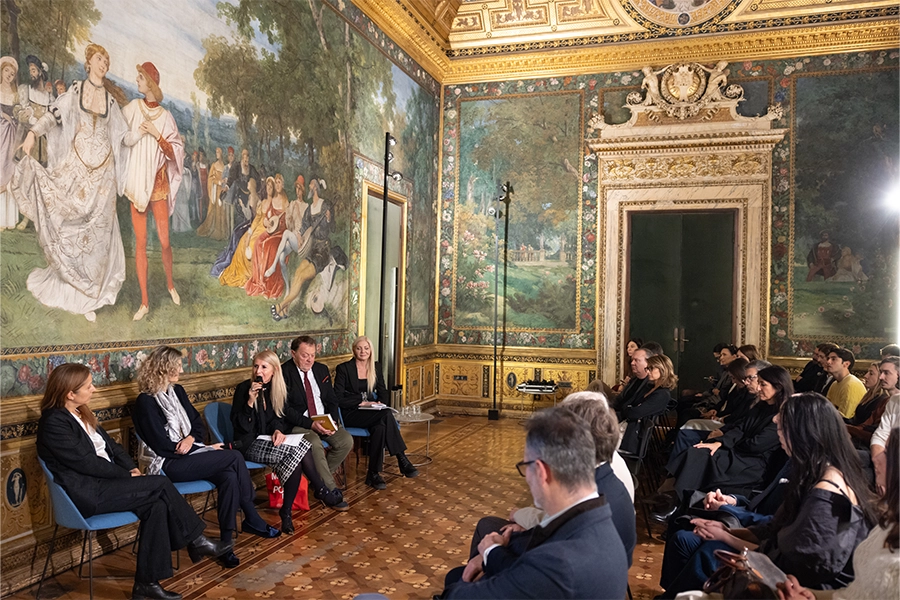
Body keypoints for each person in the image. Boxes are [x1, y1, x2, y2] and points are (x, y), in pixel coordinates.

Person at [37, 363, 230, 600]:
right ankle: (196, 540)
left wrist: (131, 467)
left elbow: (113, 447)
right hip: (88, 494)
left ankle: (147, 585)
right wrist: (127, 476)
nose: (94, 389)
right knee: (160, 484)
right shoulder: (53, 423)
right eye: (88, 386)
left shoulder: (81, 412)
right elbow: (87, 464)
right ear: (70, 393)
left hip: (109, 485)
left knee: (156, 505)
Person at [658, 392, 875, 598]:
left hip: (796, 587)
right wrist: (727, 531)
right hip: (781, 568)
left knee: (709, 550)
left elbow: (790, 564)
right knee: (688, 529)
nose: (775, 420)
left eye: (783, 418)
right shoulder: (813, 471)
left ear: (803, 431)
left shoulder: (826, 493)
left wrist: (727, 537)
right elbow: (775, 528)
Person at [439, 407, 629, 599]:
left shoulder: (557, 563)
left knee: (456, 579)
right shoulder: (598, 516)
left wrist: (476, 569)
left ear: (541, 471)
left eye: (525, 466)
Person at [132, 346, 280, 568]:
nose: (181, 370)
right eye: (177, 366)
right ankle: (251, 515)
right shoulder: (145, 401)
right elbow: (160, 445)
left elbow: (197, 425)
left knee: (229, 476)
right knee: (233, 457)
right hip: (168, 463)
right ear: (164, 368)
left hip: (191, 454)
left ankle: (226, 544)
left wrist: (192, 440)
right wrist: (199, 449)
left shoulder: (177, 391)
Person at [11, 43, 128, 323]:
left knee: (99, 236)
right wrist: (32, 134)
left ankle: (90, 295)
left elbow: (122, 136)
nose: (104, 64)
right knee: (70, 225)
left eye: (106, 60)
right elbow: (53, 116)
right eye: (99, 59)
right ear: (89, 63)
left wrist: (145, 136)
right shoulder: (75, 91)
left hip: (104, 177)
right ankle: (71, 285)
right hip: (77, 170)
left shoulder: (111, 102)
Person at [776, 428, 899, 600]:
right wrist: (810, 594)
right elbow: (854, 592)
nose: (876, 458)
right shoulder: (889, 522)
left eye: (887, 453)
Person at [232, 350, 346, 533]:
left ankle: (287, 512)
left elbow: (278, 418)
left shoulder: (276, 389)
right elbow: (242, 426)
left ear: (274, 370)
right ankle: (319, 490)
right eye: (255, 366)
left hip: (268, 439)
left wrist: (277, 430)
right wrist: (250, 402)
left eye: (264, 367)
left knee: (300, 451)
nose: (258, 371)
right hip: (248, 443)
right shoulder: (243, 389)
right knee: (300, 452)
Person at [657, 365, 790, 515]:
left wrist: (728, 445)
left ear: (778, 387)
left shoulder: (782, 414)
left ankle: (676, 502)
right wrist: (720, 442)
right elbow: (740, 428)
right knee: (697, 450)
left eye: (763, 384)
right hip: (739, 453)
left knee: (701, 456)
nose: (758, 388)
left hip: (752, 463)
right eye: (758, 383)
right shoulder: (761, 406)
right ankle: (675, 497)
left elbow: (755, 445)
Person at [122, 61, 185, 322]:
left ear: (150, 82)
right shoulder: (132, 108)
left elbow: (175, 152)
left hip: (158, 186)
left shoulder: (166, 116)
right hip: (138, 184)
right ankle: (145, 302)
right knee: (140, 243)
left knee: (165, 241)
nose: (137, 81)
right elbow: (119, 135)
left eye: (140, 77)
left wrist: (157, 135)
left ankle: (170, 285)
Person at [334, 336, 419, 489]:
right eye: (359, 348)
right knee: (385, 416)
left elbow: (383, 391)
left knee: (380, 427)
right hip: (351, 413)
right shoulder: (344, 368)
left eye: (366, 348)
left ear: (371, 350)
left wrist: (380, 403)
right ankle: (401, 458)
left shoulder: (376, 367)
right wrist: (362, 402)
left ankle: (373, 474)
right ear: (354, 350)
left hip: (372, 413)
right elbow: (338, 398)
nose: (363, 351)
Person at [282, 335, 353, 508]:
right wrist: (311, 424)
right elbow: (285, 409)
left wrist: (333, 421)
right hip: (299, 423)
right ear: (293, 353)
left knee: (346, 441)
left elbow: (332, 400)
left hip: (323, 419)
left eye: (313, 355)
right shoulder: (284, 373)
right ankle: (329, 490)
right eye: (305, 355)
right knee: (314, 443)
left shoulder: (321, 369)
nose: (309, 360)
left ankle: (317, 481)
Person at [271, 177, 333, 320]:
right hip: (313, 250)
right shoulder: (310, 208)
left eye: (310, 184)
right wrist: (299, 235)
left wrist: (329, 219)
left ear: (315, 187)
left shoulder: (325, 205)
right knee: (297, 273)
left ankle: (281, 306)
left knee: (301, 277)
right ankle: (284, 311)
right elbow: (304, 226)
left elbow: (332, 227)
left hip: (323, 251)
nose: (309, 187)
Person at [618, 352, 676, 454]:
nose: (648, 372)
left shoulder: (662, 394)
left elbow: (634, 413)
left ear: (662, 370)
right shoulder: (650, 387)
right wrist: (630, 408)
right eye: (647, 368)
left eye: (651, 368)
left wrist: (629, 408)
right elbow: (629, 405)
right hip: (625, 426)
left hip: (631, 436)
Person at [245, 173, 289, 298]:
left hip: (280, 234)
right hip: (270, 231)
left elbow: (288, 222)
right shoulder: (272, 200)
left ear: (282, 184)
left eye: (279, 182)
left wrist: (281, 224)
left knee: (270, 246)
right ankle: (259, 280)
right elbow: (266, 217)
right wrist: (266, 222)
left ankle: (269, 283)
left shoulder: (285, 201)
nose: (277, 185)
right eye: (276, 183)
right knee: (258, 242)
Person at [218, 177, 268, 287]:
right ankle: (234, 262)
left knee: (238, 235)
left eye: (249, 183)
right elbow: (256, 218)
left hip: (258, 226)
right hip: (254, 225)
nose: (248, 185)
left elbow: (251, 216)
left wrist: (243, 207)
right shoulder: (257, 199)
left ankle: (247, 270)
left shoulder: (256, 199)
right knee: (239, 236)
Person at [871, 356, 900, 493]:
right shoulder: (894, 401)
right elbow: (880, 435)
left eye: (886, 373)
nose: (881, 377)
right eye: (881, 372)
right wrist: (880, 467)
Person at [0, 55, 21, 229]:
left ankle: (7, 219)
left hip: (11, 134)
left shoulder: (16, 95)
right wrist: (2, 115)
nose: (9, 75)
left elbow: (19, 113)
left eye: (12, 73)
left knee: (9, 167)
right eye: (6, 71)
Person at [824, 347, 866, 419]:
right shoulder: (834, 384)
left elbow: (844, 418)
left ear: (846, 364)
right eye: (828, 358)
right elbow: (826, 408)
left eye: (833, 359)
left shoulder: (851, 385)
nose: (828, 362)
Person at [196, 146, 228, 240]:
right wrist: (219, 182)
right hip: (216, 191)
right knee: (215, 210)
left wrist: (225, 182)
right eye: (216, 152)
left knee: (222, 211)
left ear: (221, 154)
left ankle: (222, 231)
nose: (217, 154)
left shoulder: (224, 166)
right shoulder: (214, 165)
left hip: (222, 191)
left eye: (218, 152)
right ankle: (215, 230)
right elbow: (210, 179)